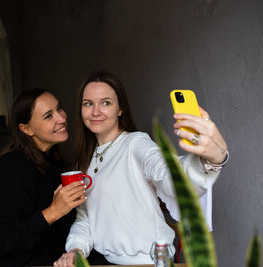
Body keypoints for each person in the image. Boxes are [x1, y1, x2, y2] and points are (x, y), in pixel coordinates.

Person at [54, 71, 228, 266]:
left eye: (106, 103)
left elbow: (168, 174)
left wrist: (212, 159)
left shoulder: (136, 144)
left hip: (150, 261)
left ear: (120, 109)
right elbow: (86, 216)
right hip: (106, 261)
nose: (95, 112)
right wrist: (76, 249)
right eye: (88, 103)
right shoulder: (85, 159)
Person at [0, 88, 86, 267]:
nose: (62, 118)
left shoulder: (56, 164)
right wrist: (54, 211)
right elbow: (1, 242)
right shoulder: (12, 169)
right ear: (26, 129)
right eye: (48, 116)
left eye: (59, 108)